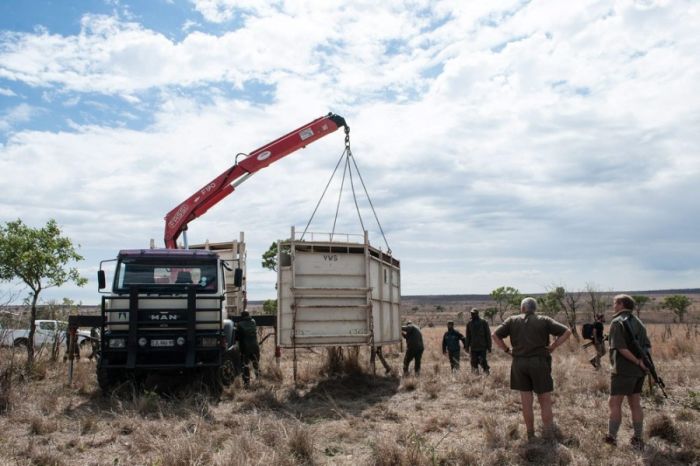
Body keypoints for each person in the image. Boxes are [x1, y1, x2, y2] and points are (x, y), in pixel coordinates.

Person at [492, 297, 572, 440]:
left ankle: (530, 434)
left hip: (519, 363)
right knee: (545, 400)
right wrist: (553, 346)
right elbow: (567, 331)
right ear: (534, 309)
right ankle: (548, 434)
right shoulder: (544, 320)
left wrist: (506, 350)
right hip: (539, 362)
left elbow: (495, 335)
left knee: (526, 401)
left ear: (522, 308)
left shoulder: (512, 320)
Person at [605, 294, 650, 450]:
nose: (613, 306)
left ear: (622, 304)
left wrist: (637, 361)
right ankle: (638, 437)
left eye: (615, 303)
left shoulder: (618, 322)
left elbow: (621, 348)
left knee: (614, 402)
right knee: (635, 403)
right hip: (640, 371)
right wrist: (642, 363)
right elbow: (647, 346)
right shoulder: (639, 322)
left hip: (623, 370)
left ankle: (611, 437)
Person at [235, 310, 260, 387]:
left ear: (242, 317)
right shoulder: (253, 322)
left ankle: (247, 383)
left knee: (245, 366)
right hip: (255, 347)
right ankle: (259, 380)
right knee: (256, 363)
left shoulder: (239, 324)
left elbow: (237, 337)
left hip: (245, 348)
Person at [465, 308, 492, 374]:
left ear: (477, 314)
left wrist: (489, 346)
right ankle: (475, 376)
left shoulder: (483, 322)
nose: (472, 315)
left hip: (482, 346)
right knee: (473, 362)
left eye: (474, 314)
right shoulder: (469, 324)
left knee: (482, 361)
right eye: (471, 313)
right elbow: (468, 336)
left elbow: (488, 335)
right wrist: (467, 346)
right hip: (473, 347)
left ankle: (486, 373)